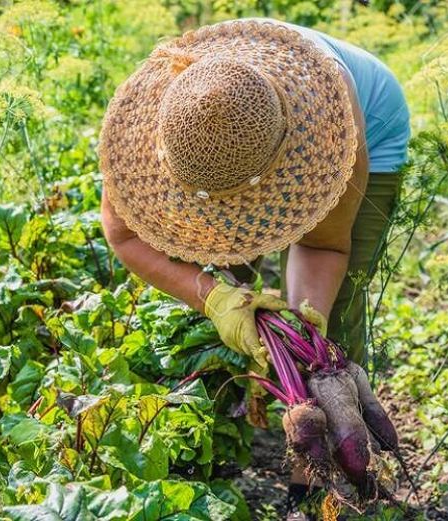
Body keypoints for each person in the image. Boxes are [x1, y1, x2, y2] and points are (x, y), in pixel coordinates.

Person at [98, 18, 410, 520]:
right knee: (225, 270)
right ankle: (241, 418)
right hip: (232, 154)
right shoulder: (158, 117)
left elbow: (325, 248)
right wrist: (217, 298)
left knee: (332, 326)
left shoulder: (333, 128)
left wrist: (305, 325)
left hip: (366, 124)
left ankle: (311, 492)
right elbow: (124, 234)